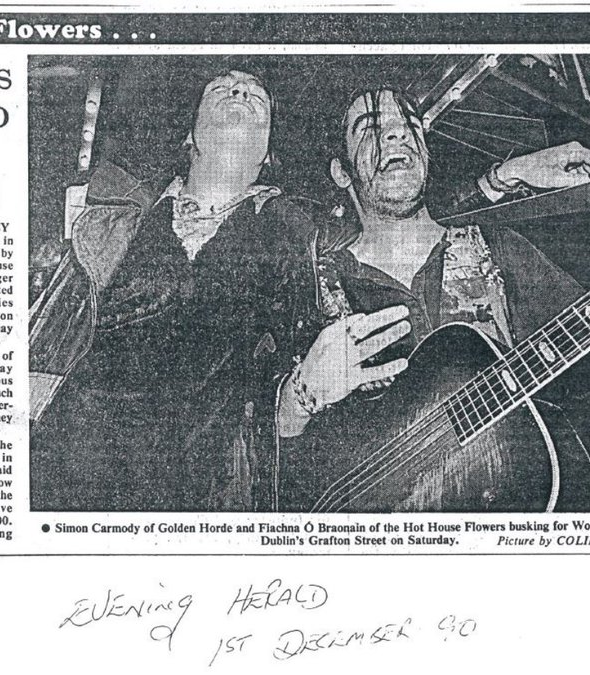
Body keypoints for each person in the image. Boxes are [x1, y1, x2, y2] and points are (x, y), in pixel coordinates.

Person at [279, 86, 590, 511]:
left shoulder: (498, 247)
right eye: (371, 129)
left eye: (410, 125)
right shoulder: (312, 283)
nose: (397, 135)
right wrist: (297, 397)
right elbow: (254, 454)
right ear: (341, 172)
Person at [30, 71, 408, 512]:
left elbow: (290, 418)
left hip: (207, 496)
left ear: (267, 152)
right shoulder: (108, 218)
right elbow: (46, 342)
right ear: (190, 134)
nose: (241, 91)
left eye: (258, 96)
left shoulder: (304, 240)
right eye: (222, 87)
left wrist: (305, 392)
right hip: (67, 474)